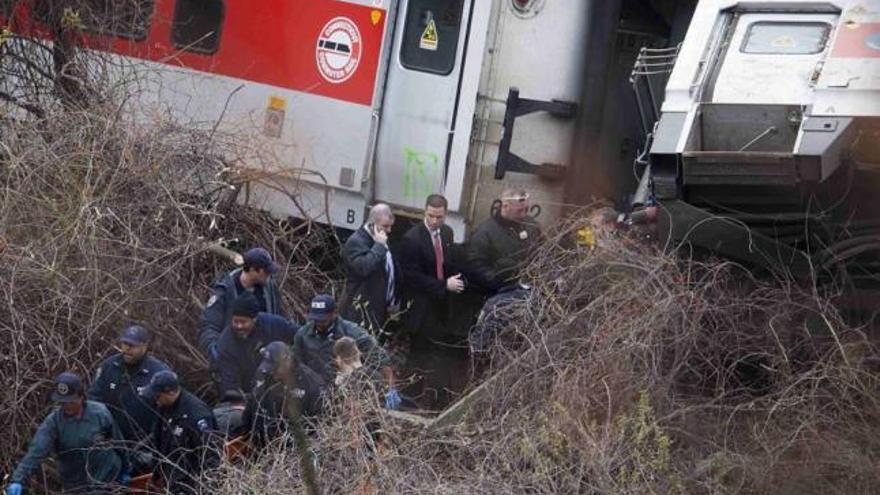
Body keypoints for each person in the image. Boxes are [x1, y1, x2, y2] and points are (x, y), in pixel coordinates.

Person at [6, 373, 130, 495]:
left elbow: (118, 442)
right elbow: (37, 451)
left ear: (81, 397)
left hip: (106, 475)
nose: (67, 406)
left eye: (71, 401)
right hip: (76, 483)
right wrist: (18, 479)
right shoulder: (54, 422)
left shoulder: (100, 413)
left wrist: (126, 469)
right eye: (63, 402)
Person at [293, 294, 402, 410]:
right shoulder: (302, 335)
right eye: (316, 319)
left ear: (334, 314)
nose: (319, 323)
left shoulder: (353, 333)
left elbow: (381, 360)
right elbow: (297, 364)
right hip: (316, 392)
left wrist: (391, 390)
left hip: (348, 393)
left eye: (323, 319)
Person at [88, 325, 170, 474]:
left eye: (132, 345)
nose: (126, 348)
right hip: (110, 444)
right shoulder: (109, 366)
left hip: (144, 448)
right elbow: (94, 400)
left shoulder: (158, 372)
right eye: (124, 344)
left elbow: (167, 411)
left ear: (145, 346)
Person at [398, 194, 465, 346]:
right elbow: (412, 277)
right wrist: (444, 285)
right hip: (421, 306)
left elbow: (446, 261)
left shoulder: (447, 232)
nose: (435, 221)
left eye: (439, 217)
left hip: (440, 301)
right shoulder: (412, 239)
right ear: (424, 212)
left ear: (446, 214)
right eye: (431, 216)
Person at [199, 247, 284, 365]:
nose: (269, 274)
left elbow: (280, 317)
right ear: (253, 270)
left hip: (265, 358)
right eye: (266, 271)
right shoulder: (225, 291)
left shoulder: (269, 288)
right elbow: (209, 326)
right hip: (236, 360)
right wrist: (215, 350)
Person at [143, 370, 219, 495]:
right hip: (171, 480)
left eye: (158, 396)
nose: (156, 401)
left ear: (171, 392)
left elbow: (210, 456)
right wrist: (156, 474)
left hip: (191, 483)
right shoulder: (164, 408)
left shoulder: (196, 415)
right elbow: (159, 442)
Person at [243, 341, 327, 447]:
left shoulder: (312, 383)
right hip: (261, 446)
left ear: (288, 361)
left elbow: (320, 423)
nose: (271, 372)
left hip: (293, 451)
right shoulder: (263, 374)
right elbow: (252, 402)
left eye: (275, 368)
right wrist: (245, 432)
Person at [216, 293, 299, 398]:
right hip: (250, 395)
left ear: (255, 319)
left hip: (284, 388)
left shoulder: (274, 324)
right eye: (235, 321)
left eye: (243, 322)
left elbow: (300, 337)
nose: (239, 326)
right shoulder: (226, 343)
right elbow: (230, 385)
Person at [467, 188, 542, 293]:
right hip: (498, 292)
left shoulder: (532, 226)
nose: (523, 214)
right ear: (505, 206)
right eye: (519, 210)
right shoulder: (484, 232)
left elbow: (541, 252)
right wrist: (499, 281)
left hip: (528, 290)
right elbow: (476, 267)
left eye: (526, 209)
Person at [340, 203, 400, 334]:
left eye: (390, 226)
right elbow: (363, 268)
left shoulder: (380, 236)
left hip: (379, 308)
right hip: (359, 311)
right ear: (372, 224)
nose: (389, 230)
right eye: (385, 226)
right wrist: (379, 246)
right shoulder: (356, 242)